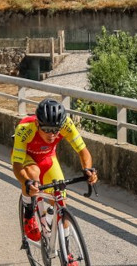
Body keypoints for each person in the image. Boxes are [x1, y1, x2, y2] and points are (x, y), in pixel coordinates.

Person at [11, 98, 96, 243]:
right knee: (33, 174)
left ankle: (67, 254)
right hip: (27, 157)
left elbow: (83, 151)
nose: (52, 135)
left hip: (47, 158)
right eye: (47, 130)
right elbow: (17, 165)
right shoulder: (25, 129)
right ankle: (29, 214)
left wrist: (88, 170)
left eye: (55, 130)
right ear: (37, 124)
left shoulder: (66, 124)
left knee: (61, 200)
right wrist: (26, 182)